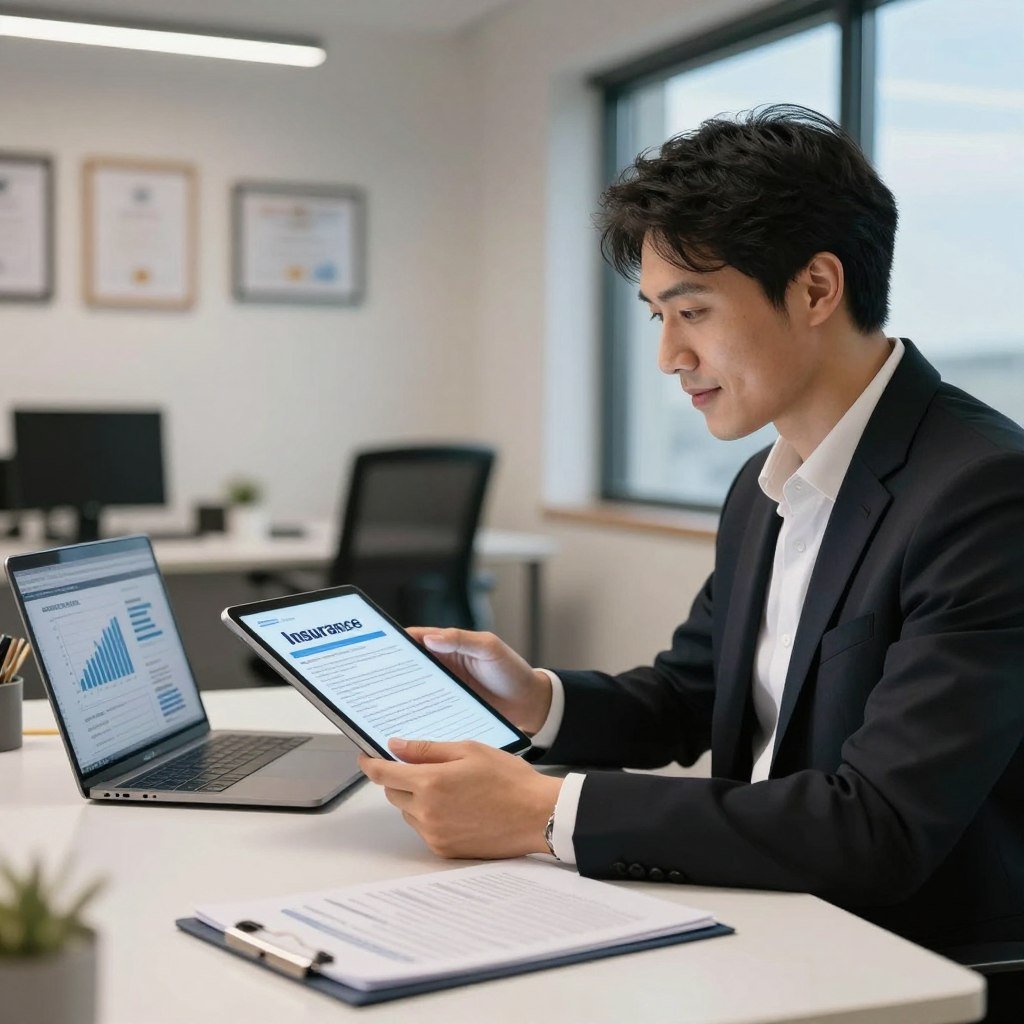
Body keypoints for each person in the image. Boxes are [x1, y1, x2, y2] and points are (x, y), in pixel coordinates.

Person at [359, 105, 1024, 1011]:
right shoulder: (765, 482)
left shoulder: (984, 493)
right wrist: (539, 699)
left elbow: (879, 828)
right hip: (757, 911)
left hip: (902, 961)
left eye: (694, 312)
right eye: (657, 316)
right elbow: (692, 694)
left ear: (817, 289)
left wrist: (543, 812)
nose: (671, 355)